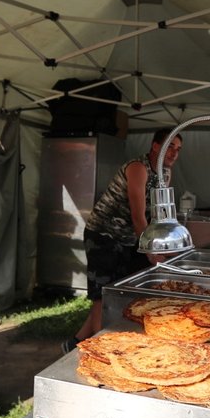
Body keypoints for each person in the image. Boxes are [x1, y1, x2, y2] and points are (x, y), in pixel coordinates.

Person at [62, 129, 184, 353]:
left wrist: (167, 243)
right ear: (155, 146)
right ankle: (103, 353)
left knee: (117, 293)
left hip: (129, 238)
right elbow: (138, 215)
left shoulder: (165, 173)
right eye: (170, 146)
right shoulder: (138, 168)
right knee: (104, 296)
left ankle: (76, 342)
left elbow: (158, 214)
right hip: (104, 234)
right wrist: (149, 252)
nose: (174, 153)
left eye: (178, 149)